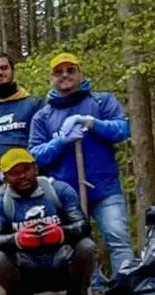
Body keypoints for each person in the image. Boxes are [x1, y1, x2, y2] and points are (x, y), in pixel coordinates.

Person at [27, 53, 133, 282]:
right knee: (78, 245)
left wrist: (92, 123)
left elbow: (122, 130)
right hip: (66, 194)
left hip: (105, 188)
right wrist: (61, 141)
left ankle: (126, 288)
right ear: (51, 78)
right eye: (58, 72)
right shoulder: (43, 117)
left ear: (80, 73)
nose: (65, 75)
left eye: (70, 70)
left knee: (118, 237)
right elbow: (35, 155)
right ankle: (91, 290)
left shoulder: (102, 102)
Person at [0, 149, 97, 295]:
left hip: (61, 262)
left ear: (35, 169)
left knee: (87, 246)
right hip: (26, 267)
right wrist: (17, 239)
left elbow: (83, 225)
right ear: (5, 176)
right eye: (15, 173)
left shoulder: (59, 190)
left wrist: (62, 233)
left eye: (26, 170)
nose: (22, 176)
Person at [0, 53, 43, 161]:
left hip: (32, 171)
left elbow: (42, 143)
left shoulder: (35, 105)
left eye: (3, 68)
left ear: (13, 71)